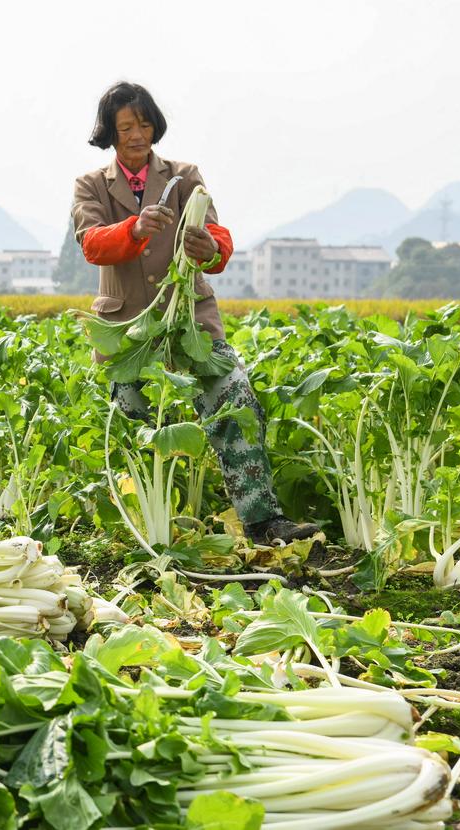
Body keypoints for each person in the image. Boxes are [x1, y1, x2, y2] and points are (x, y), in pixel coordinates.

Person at [71, 81, 318, 546]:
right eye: (126, 127)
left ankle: (264, 521)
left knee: (234, 397)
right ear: (110, 133)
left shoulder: (185, 177)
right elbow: (92, 243)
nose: (137, 135)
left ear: (155, 126)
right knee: (133, 424)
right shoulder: (91, 186)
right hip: (128, 332)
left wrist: (210, 247)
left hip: (191, 325)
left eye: (144, 124)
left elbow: (219, 241)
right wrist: (135, 227)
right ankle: (149, 531)